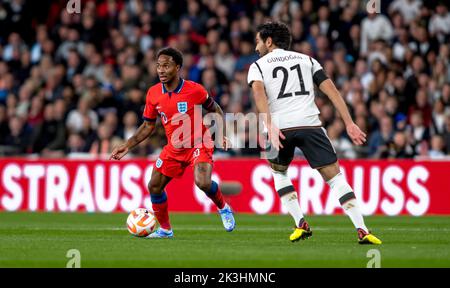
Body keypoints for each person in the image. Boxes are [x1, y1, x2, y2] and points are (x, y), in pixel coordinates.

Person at [247, 22, 381, 245]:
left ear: (269, 41)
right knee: (335, 178)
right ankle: (362, 229)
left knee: (279, 173)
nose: (256, 47)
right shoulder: (307, 60)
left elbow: (259, 93)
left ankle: (301, 224)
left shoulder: (258, 66)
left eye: (258, 42)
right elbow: (332, 91)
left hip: (279, 127)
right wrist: (349, 123)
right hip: (310, 124)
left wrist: (268, 123)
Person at [110, 47, 235, 238]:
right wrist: (127, 145)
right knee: (154, 186)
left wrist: (222, 133)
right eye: (158, 65)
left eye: (166, 66)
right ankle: (166, 230)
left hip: (199, 143)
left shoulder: (195, 90)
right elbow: (147, 126)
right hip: (174, 148)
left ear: (177, 67)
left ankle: (223, 207)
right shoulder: (153, 94)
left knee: (202, 182)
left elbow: (215, 108)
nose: (161, 70)